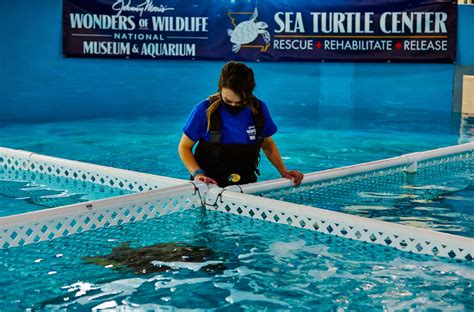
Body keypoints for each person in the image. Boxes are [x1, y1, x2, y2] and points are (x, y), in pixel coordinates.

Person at [178, 61, 303, 187]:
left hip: (246, 185)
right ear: (220, 89)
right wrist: (198, 174)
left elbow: (268, 145)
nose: (233, 105)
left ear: (249, 93)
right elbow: (184, 147)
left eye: (240, 102)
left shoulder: (259, 110)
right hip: (208, 186)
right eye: (227, 100)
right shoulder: (204, 111)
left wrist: (284, 171)